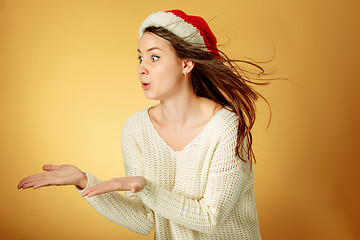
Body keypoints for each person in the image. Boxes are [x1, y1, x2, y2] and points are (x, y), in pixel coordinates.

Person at [18, 9, 269, 239]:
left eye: (154, 57)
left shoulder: (224, 127)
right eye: (140, 59)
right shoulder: (137, 128)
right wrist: (85, 181)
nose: (141, 69)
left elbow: (210, 218)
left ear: (186, 64)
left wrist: (145, 188)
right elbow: (143, 219)